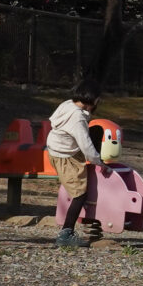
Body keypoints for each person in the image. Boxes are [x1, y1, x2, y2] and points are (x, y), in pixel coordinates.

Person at [45, 92, 101, 248]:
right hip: (65, 156)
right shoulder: (77, 118)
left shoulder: (68, 104)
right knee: (80, 194)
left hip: (59, 149)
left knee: (79, 191)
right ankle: (65, 235)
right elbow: (86, 145)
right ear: (92, 100)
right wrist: (99, 161)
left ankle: (68, 232)